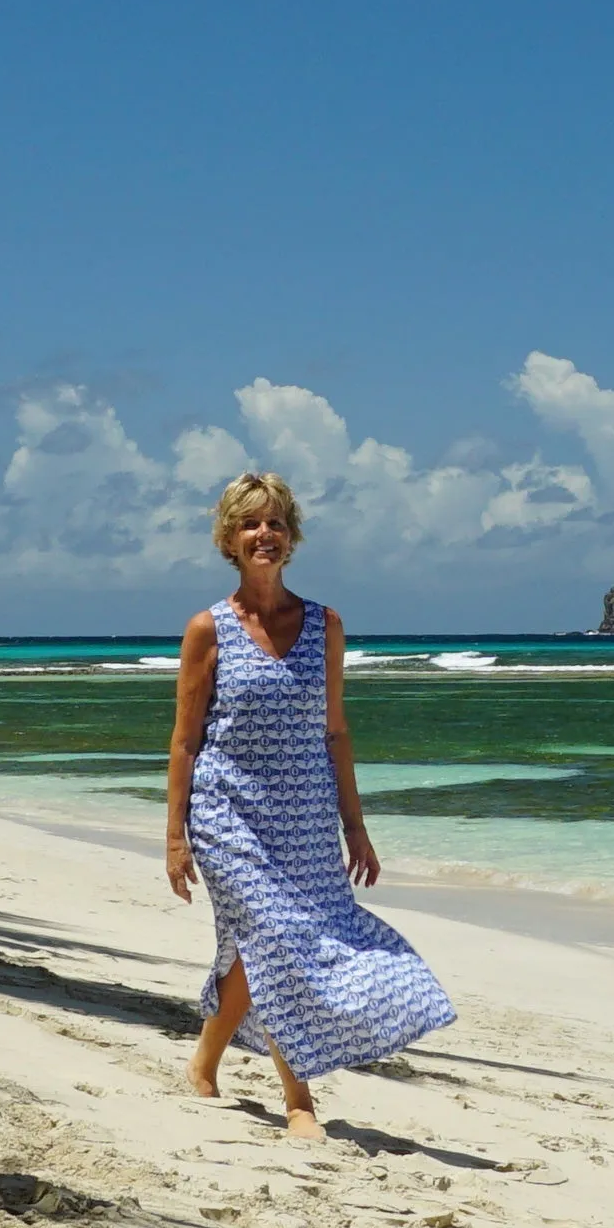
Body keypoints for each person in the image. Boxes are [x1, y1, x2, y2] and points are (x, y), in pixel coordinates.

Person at [166, 471, 455, 1136]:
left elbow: (335, 731)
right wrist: (176, 837)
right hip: (227, 815)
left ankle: (204, 1063)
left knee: (262, 946)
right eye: (249, 524)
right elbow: (185, 742)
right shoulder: (207, 630)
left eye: (274, 523)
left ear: (290, 537)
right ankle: (300, 1103)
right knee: (276, 939)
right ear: (230, 540)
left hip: (305, 819)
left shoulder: (324, 625)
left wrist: (356, 827)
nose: (263, 534)